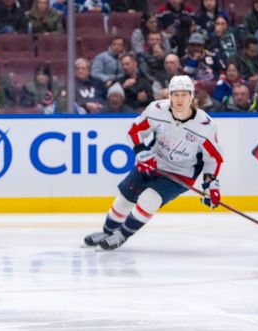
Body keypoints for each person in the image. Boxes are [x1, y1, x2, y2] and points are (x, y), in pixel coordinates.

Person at [84, 75, 223, 251]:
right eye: (175, 94)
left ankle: (122, 235)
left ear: (192, 96)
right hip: (152, 162)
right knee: (124, 200)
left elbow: (213, 158)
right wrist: (142, 152)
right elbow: (134, 132)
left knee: (151, 199)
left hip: (181, 174)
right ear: (169, 95)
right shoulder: (156, 110)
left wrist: (211, 184)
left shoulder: (205, 125)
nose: (179, 99)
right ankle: (107, 231)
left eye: (184, 95)